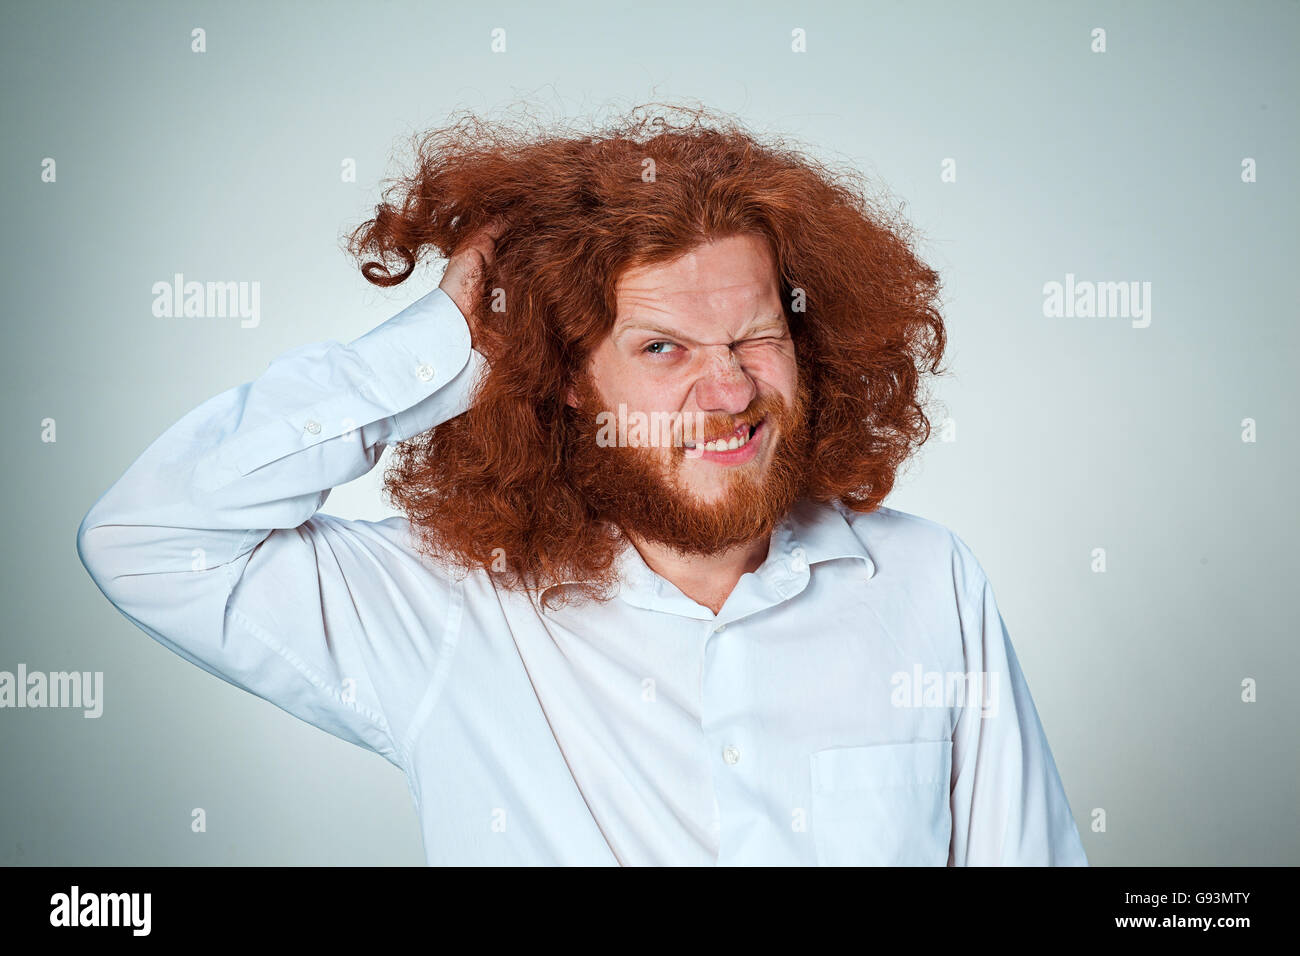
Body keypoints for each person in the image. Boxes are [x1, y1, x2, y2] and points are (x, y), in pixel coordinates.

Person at [76, 105, 1088, 866]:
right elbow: (149, 536)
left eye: (752, 336)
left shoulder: (923, 580)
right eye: (661, 346)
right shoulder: (445, 605)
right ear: (564, 376)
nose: (728, 386)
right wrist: (441, 342)